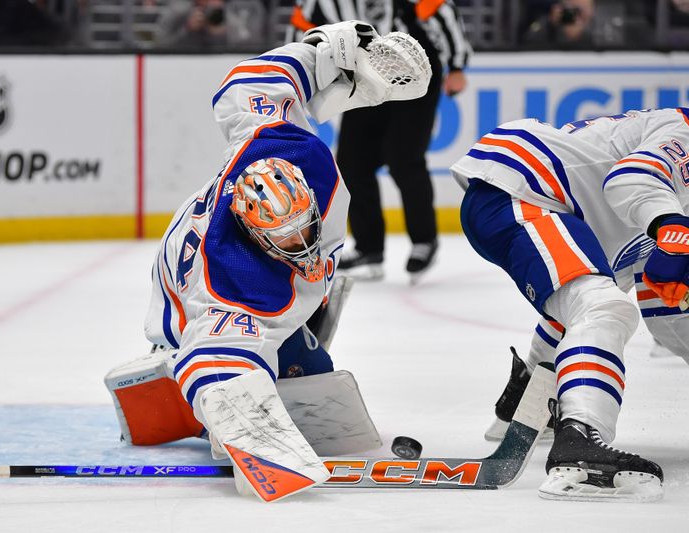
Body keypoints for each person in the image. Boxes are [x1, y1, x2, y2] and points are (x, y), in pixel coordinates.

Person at [103, 22, 431, 502]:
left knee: (323, 396)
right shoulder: (236, 283)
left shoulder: (290, 148)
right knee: (309, 391)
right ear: (253, 232)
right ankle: (173, 382)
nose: (299, 243)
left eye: (304, 226)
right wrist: (260, 443)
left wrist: (328, 50)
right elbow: (215, 359)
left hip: (234, 289)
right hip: (188, 316)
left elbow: (250, 83)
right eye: (284, 238)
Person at [451, 108, 689, 502]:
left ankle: (531, 401)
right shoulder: (684, 129)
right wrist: (672, 229)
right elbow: (633, 179)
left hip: (534, 198)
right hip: (526, 190)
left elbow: (669, 317)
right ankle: (579, 445)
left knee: (589, 302)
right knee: (603, 308)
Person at [289, 0, 472, 281]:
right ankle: (369, 247)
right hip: (361, 76)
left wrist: (457, 65)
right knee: (351, 163)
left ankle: (424, 240)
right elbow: (301, 32)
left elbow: (440, 9)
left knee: (404, 158)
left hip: (414, 72)